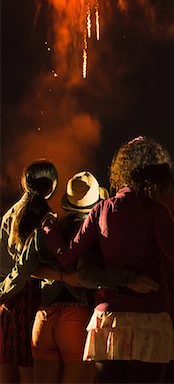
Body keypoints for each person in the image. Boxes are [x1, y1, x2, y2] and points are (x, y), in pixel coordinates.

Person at [43, 136, 174, 384]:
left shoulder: (101, 209)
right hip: (150, 319)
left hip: (109, 322)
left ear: (122, 168)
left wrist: (49, 229)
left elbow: (66, 256)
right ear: (157, 173)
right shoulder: (155, 210)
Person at [0, 170, 157, 384]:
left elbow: (23, 269)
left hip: (44, 319)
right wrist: (129, 279)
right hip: (76, 318)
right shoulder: (89, 233)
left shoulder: (47, 228)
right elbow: (86, 275)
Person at [0, 160, 58, 384]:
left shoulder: (9, 215)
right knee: (29, 369)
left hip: (8, 300)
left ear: (25, 183)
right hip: (34, 301)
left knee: (6, 365)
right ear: (52, 186)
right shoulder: (47, 217)